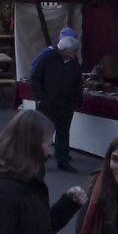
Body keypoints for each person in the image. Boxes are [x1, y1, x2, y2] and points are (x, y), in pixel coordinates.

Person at [30, 27, 84, 172]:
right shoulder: (47, 57)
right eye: (74, 50)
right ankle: (37, 160)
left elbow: (78, 82)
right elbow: (34, 77)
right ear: (65, 49)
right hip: (49, 104)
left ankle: (63, 160)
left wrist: (75, 99)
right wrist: (40, 98)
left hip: (66, 105)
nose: (76, 54)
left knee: (63, 133)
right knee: (44, 134)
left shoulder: (73, 63)